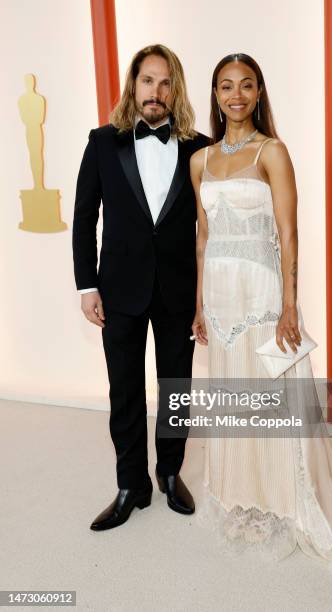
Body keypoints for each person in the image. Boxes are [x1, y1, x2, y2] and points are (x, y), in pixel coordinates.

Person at [189, 53, 332, 575]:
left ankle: (293, 503)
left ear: (259, 93)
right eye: (227, 86)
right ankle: (245, 496)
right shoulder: (201, 161)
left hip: (261, 297)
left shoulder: (271, 152)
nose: (236, 95)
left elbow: (288, 233)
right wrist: (198, 304)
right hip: (220, 296)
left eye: (246, 86)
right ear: (215, 96)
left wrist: (289, 305)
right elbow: (202, 237)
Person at [72, 44, 209, 531]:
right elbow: (85, 217)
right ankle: (131, 484)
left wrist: (205, 296)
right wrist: (86, 285)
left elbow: (212, 228)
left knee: (176, 388)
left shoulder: (199, 147)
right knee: (124, 391)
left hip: (178, 291)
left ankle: (170, 473)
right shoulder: (102, 142)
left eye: (166, 82)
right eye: (148, 80)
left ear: (177, 90)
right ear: (134, 86)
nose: (156, 91)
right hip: (119, 290)